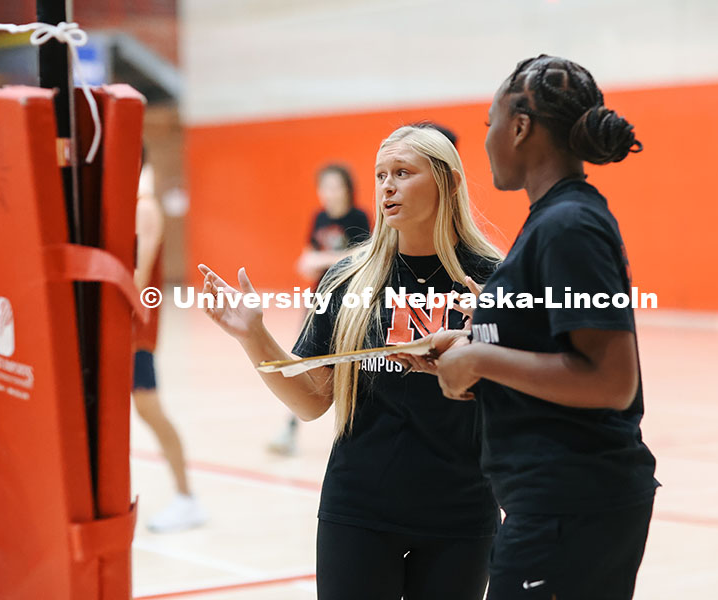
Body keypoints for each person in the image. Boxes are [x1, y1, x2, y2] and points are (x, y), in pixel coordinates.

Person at [199, 125, 504, 600]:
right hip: (360, 507)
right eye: (381, 173)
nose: (387, 185)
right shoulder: (347, 277)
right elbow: (311, 401)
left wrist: (493, 341)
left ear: (448, 182)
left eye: (403, 172)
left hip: (461, 511)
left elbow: (531, 399)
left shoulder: (495, 278)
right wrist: (253, 335)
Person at [434, 55, 659, 600]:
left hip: (573, 504)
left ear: (519, 126)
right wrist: (472, 344)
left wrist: (480, 360)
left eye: (490, 122)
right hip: (557, 503)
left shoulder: (569, 225)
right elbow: (546, 345)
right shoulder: (551, 219)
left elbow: (610, 380)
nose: (486, 138)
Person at [269, 164, 370, 456]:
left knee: (352, 368)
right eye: (325, 187)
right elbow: (305, 262)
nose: (330, 193)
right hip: (319, 301)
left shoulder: (358, 217)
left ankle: (354, 432)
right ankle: (289, 428)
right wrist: (326, 258)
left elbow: (364, 254)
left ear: (348, 189)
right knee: (303, 363)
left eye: (336, 186)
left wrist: (324, 258)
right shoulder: (320, 218)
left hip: (350, 302)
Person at [133, 154, 207, 533]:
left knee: (150, 410)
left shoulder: (144, 209)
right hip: (115, 334)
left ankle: (186, 498)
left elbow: (137, 278)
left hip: (131, 334)